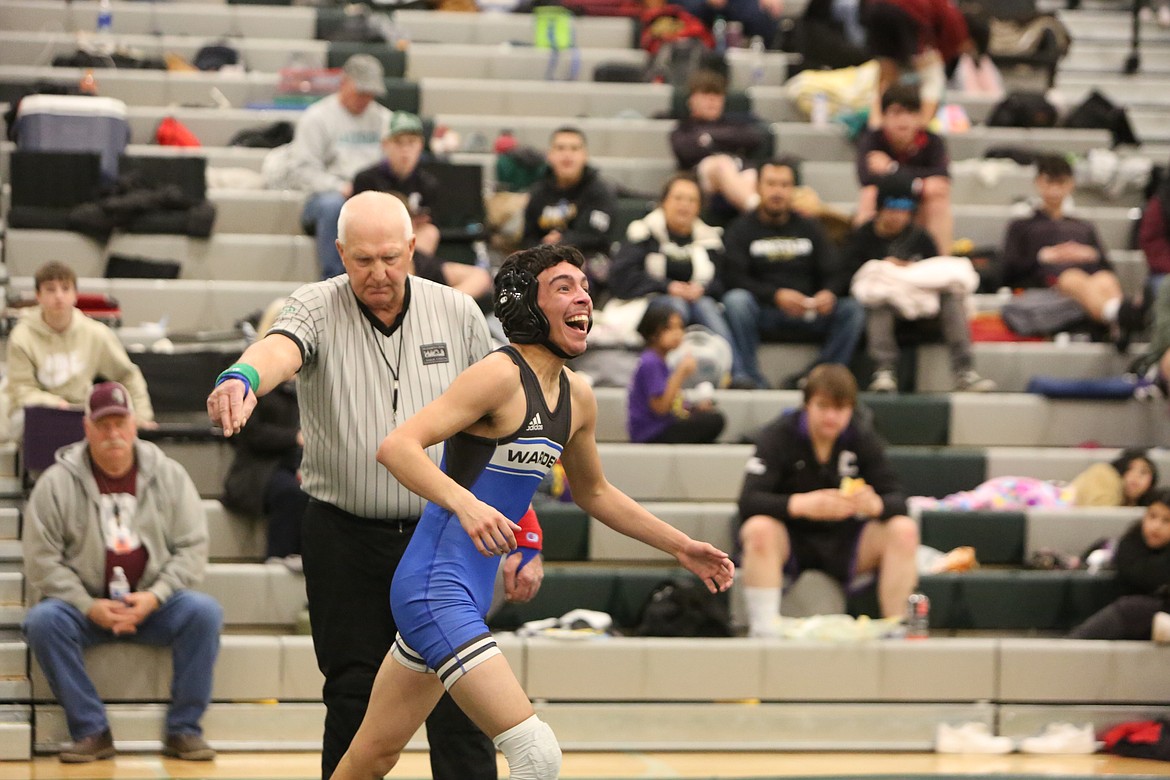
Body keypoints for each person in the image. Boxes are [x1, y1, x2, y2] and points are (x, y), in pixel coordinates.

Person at [331, 244, 735, 780]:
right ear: (525, 304)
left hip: (466, 591)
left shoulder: (578, 397)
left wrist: (681, 546)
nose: (583, 297)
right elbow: (397, 447)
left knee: (372, 758)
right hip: (434, 589)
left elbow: (595, 494)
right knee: (536, 755)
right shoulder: (498, 375)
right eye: (564, 287)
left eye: (585, 286)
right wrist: (467, 506)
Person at [206, 191, 539, 780]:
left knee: (462, 699)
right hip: (343, 535)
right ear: (339, 253)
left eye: (391, 257)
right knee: (352, 695)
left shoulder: (458, 313)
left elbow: (502, 425)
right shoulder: (313, 304)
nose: (378, 273)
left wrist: (527, 533)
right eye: (362, 260)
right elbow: (279, 349)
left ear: (413, 248)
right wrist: (243, 377)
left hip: (442, 537)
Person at [22, 381, 222, 763]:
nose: (113, 434)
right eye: (103, 425)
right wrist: (87, 604)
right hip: (86, 609)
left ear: (134, 425)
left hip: (153, 603)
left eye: (120, 423)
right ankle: (92, 730)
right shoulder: (56, 483)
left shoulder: (170, 476)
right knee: (43, 621)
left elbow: (193, 547)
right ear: (87, 429)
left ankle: (184, 729)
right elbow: (40, 560)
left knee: (204, 612)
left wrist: (155, 596)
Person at [736, 364, 917, 637]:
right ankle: (763, 630)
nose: (831, 417)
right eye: (823, 406)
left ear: (851, 409)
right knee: (758, 529)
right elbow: (748, 501)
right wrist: (801, 505)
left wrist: (874, 504)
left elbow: (898, 498)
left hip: (847, 540)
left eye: (840, 409)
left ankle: (898, 630)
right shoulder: (778, 435)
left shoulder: (862, 436)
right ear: (807, 404)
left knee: (903, 530)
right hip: (791, 539)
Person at [721, 158, 865, 389]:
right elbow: (734, 277)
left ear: (793, 190)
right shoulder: (741, 229)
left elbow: (835, 270)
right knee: (736, 301)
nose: (777, 191)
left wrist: (828, 293)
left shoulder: (810, 227)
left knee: (852, 310)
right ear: (758, 187)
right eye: (771, 184)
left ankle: (815, 380)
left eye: (784, 185)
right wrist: (775, 295)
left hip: (808, 310)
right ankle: (750, 378)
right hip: (764, 310)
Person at [843, 175, 995, 393]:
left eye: (904, 208)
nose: (897, 215)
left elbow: (935, 273)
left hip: (925, 311)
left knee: (951, 296)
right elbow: (854, 280)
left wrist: (909, 272)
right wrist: (886, 270)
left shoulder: (920, 238)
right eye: (891, 207)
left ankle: (965, 371)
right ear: (880, 208)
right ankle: (884, 370)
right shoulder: (862, 237)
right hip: (888, 312)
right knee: (878, 296)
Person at [608, 172, 748, 380]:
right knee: (675, 307)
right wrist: (668, 287)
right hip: (650, 303)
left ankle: (736, 374)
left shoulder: (711, 239)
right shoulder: (642, 233)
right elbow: (622, 278)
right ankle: (664, 375)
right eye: (678, 198)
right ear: (663, 203)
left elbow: (723, 282)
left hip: (698, 302)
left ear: (699, 207)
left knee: (705, 305)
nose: (685, 205)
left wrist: (702, 289)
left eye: (692, 200)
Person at [1000, 154, 1146, 350]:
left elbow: (1105, 266)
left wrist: (1088, 254)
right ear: (1038, 183)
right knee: (1073, 277)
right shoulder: (1022, 226)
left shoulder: (1083, 227)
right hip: (1049, 284)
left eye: (1060, 183)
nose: (1054, 189)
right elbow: (1007, 270)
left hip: (1090, 279)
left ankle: (1116, 321)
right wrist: (1043, 257)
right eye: (1049, 182)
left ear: (1071, 185)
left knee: (1105, 279)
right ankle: (1118, 317)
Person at [5, 261, 154, 438]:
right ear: (38, 295)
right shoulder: (21, 336)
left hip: (81, 412)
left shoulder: (96, 333)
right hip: (35, 411)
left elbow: (128, 376)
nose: (59, 296)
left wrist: (142, 417)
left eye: (65, 288)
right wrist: (55, 403)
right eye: (50, 289)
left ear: (75, 295)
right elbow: (21, 390)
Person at [288, 54, 391, 279]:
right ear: (343, 83)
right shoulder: (317, 118)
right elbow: (301, 171)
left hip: (372, 196)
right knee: (333, 205)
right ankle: (335, 281)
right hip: (326, 197)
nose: (365, 99)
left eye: (370, 93)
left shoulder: (384, 120)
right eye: (360, 92)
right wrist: (338, 186)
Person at [221, 300, 307, 570]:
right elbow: (248, 432)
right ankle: (278, 556)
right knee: (291, 491)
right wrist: (294, 437)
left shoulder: (312, 377)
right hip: (260, 467)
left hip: (303, 462)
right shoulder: (250, 376)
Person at [855, 85, 953, 253]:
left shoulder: (932, 141)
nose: (904, 120)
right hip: (885, 204)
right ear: (884, 116)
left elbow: (942, 178)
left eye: (911, 113)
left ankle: (940, 262)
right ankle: (863, 258)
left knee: (938, 199)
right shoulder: (872, 139)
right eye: (896, 113)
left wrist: (892, 169)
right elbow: (866, 178)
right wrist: (920, 183)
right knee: (869, 194)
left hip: (918, 203)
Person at [912, 447, 1158, 512]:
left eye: (1144, 473)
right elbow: (1096, 511)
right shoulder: (1105, 475)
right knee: (971, 504)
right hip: (1034, 495)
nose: (1136, 478)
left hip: (1039, 500)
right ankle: (919, 505)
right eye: (1132, 470)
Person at [1069, 488, 1170, 641]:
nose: (1156, 526)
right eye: (1152, 516)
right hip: (1139, 616)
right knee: (1131, 608)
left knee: (1131, 609)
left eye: (1166, 521)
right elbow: (1144, 577)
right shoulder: (1131, 542)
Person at [669, 69, 771, 216]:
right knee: (721, 163)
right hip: (702, 182)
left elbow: (753, 139)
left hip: (740, 173)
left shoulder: (734, 124)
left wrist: (710, 138)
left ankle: (756, 209)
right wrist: (729, 140)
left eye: (717, 95)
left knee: (752, 174)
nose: (712, 100)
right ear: (691, 100)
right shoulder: (684, 128)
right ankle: (758, 213)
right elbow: (686, 152)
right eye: (705, 94)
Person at [628, 306, 726, 444]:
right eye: (669, 328)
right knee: (715, 420)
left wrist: (694, 409)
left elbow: (673, 404)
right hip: (651, 432)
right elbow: (660, 408)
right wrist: (681, 372)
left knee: (707, 417)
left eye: (680, 327)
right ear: (652, 332)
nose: (677, 333)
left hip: (662, 426)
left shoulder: (660, 361)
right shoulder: (651, 362)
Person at [522, 126, 616, 259]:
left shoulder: (600, 191)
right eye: (560, 148)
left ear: (585, 156)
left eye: (574, 148)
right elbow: (528, 238)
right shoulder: (538, 192)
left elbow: (596, 236)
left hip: (588, 261)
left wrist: (561, 242)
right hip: (543, 261)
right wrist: (543, 246)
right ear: (550, 155)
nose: (567, 155)